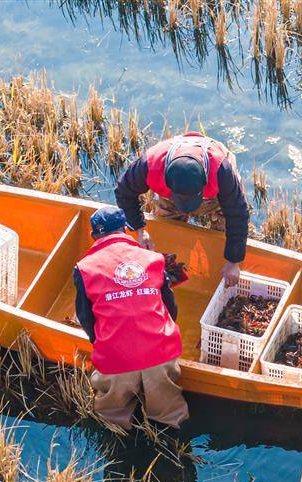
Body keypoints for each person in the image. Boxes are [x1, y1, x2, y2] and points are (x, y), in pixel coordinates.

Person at [73, 207, 188, 431]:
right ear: (125, 229)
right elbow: (170, 308)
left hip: (117, 361)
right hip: (160, 354)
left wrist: (104, 344)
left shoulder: (84, 269)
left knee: (111, 418)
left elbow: (86, 318)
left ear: (93, 236)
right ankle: (175, 445)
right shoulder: (154, 259)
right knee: (171, 417)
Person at [113, 132, 250, 287]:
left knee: (222, 234)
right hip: (171, 192)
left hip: (214, 194)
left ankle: (216, 273)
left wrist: (233, 261)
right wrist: (139, 229)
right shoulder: (150, 164)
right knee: (167, 232)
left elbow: (238, 214)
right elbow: (124, 192)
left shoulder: (221, 171)